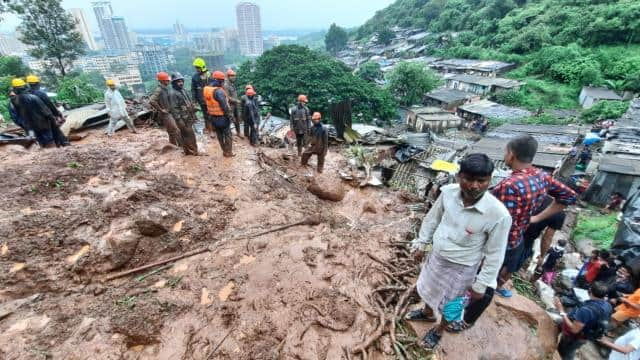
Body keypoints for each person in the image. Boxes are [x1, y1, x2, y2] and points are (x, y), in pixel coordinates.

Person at [407, 153, 511, 349]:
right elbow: (432, 219)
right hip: (437, 256)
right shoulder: (447, 193)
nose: (474, 186)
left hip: (462, 267)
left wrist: (482, 284)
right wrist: (421, 243)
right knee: (428, 287)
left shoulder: (498, 214)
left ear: (490, 179)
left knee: (452, 304)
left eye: (482, 181)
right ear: (458, 176)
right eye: (469, 179)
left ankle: (439, 329)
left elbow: (495, 254)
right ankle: (428, 313)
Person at [493, 135, 577, 298]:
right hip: (518, 240)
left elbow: (502, 222)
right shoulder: (541, 176)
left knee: (484, 278)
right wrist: (536, 218)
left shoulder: (509, 185)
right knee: (503, 272)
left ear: (511, 154)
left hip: (502, 242)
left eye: (505, 152)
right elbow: (569, 196)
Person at [554, 281, 612, 360]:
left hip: (574, 337)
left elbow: (574, 330)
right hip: (587, 335)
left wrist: (561, 311)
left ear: (589, 291)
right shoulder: (608, 305)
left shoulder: (586, 310)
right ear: (605, 295)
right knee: (558, 323)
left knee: (564, 353)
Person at [520, 196, 567, 274]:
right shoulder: (559, 213)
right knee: (511, 266)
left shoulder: (539, 195)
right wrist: (542, 256)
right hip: (526, 239)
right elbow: (547, 237)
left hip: (514, 226)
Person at [11, 78, 57, 148]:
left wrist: (24, 125)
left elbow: (17, 117)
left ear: (14, 89)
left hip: (30, 128)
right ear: (25, 87)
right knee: (49, 141)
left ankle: (45, 154)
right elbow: (45, 111)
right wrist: (53, 119)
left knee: (39, 142)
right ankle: (53, 153)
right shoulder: (33, 97)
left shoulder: (13, 101)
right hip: (43, 124)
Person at [27, 74, 70, 147]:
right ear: (37, 83)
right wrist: (58, 114)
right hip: (46, 117)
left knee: (42, 137)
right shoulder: (40, 93)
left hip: (33, 121)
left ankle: (51, 148)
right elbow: (50, 105)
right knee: (55, 131)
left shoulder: (26, 95)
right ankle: (64, 145)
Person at [203, 71, 235, 157]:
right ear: (218, 80)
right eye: (222, 81)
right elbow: (224, 106)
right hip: (222, 117)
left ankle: (224, 151)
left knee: (219, 135)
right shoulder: (219, 92)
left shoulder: (207, 90)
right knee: (227, 134)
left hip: (213, 117)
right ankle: (228, 152)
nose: (223, 83)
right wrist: (230, 116)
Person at [168, 73, 198, 155]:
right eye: (178, 81)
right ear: (174, 83)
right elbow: (174, 108)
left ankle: (188, 151)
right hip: (182, 118)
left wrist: (193, 110)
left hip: (188, 116)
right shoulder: (172, 93)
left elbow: (188, 102)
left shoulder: (183, 90)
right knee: (189, 134)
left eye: (181, 81)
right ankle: (194, 151)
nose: (181, 83)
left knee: (186, 134)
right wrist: (178, 120)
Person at [149, 71, 181, 147]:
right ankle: (181, 146)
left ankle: (172, 146)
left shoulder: (165, 88)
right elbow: (151, 100)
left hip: (169, 113)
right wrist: (161, 109)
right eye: (167, 80)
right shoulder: (159, 90)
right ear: (162, 81)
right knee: (176, 130)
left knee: (171, 132)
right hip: (166, 114)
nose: (169, 81)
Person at [191, 58, 212, 138]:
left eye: (198, 68)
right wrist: (194, 100)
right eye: (196, 68)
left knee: (212, 113)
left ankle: (213, 128)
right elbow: (193, 89)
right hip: (201, 99)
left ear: (202, 67)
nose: (197, 69)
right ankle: (209, 129)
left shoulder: (209, 75)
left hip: (210, 99)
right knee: (205, 114)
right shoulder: (195, 77)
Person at [224, 69, 243, 138]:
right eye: (232, 76)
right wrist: (236, 101)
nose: (234, 77)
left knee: (237, 119)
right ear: (228, 76)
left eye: (234, 76)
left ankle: (238, 132)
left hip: (235, 105)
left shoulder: (232, 84)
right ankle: (228, 134)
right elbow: (227, 97)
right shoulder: (226, 85)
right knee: (229, 119)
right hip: (230, 105)